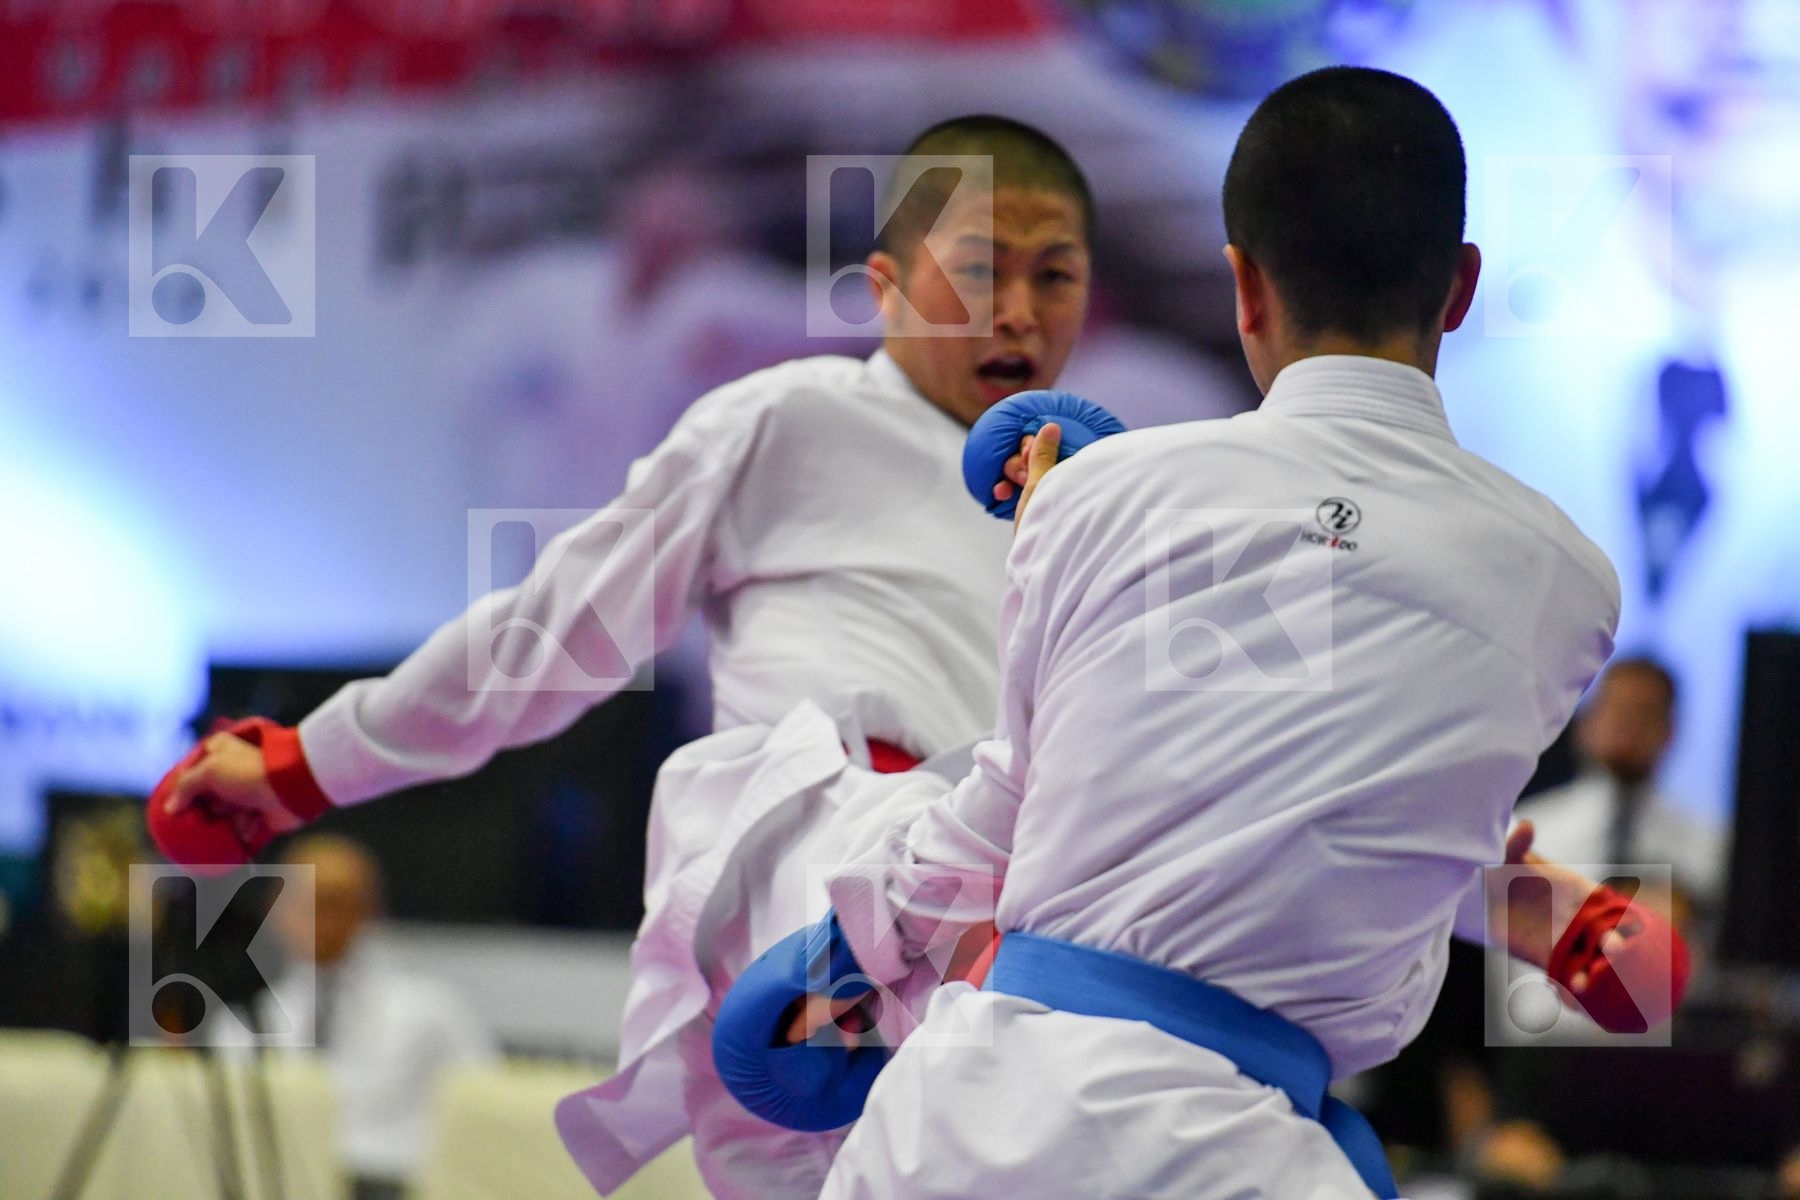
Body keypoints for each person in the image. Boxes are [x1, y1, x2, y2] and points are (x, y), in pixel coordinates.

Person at [154, 114, 1102, 1200]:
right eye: (982, 271)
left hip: (1008, 932)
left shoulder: (1101, 503)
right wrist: (305, 766)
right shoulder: (786, 420)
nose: (1021, 312)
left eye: (1056, 276)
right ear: (884, 286)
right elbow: (549, 633)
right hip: (818, 877)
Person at [792, 67, 1623, 1199]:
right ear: (1462, 286)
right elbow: (1337, 791)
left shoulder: (1089, 495)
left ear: (1242, 285)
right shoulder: (1570, 587)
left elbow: (1006, 809)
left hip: (957, 1139)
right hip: (1249, 1159)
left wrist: (845, 955)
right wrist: (1466, 881)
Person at [261, 833, 494, 1200]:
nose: (321, 917)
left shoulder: (432, 1010)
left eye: (337, 902)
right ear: (274, 909)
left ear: (369, 909)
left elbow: (483, 1114)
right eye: (306, 902)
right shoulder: (250, 1020)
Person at [1517, 655, 1724, 908]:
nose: (1628, 725)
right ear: (1586, 724)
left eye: (1645, 713)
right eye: (1617, 709)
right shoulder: (1530, 833)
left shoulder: (1709, 849)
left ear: (1670, 730)